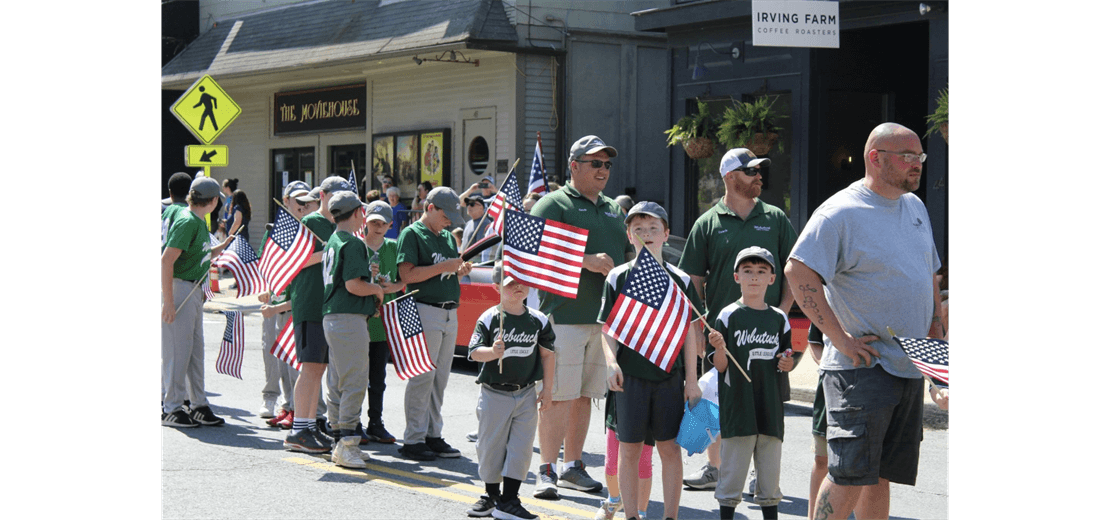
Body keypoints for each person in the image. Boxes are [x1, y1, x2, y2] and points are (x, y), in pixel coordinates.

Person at [784, 122, 943, 520]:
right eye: (907, 157)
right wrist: (840, 339)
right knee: (849, 474)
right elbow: (798, 272)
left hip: (906, 368)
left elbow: (929, 282)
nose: (917, 165)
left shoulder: (915, 207)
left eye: (920, 157)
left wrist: (938, 367)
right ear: (875, 158)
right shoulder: (840, 212)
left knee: (880, 476)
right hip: (861, 369)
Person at [679, 148, 797, 491]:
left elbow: (792, 270)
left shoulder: (775, 217)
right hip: (722, 336)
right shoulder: (707, 223)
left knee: (766, 402)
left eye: (761, 171)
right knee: (717, 400)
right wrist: (699, 328)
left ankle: (762, 472)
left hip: (768, 337)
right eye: (751, 172)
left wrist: (783, 316)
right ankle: (714, 467)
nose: (759, 176)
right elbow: (694, 281)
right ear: (729, 177)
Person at [530, 135, 632, 499]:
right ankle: (546, 470)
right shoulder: (551, 204)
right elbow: (533, 257)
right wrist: (584, 261)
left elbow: (626, 259)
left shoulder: (614, 210)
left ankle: (573, 466)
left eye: (607, 164)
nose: (603, 170)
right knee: (556, 396)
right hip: (564, 316)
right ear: (574, 166)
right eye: (595, 163)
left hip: (604, 321)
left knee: (585, 396)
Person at [598, 201, 702, 520]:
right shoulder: (618, 277)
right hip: (630, 377)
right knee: (629, 449)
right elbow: (607, 329)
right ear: (629, 235)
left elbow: (688, 333)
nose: (646, 235)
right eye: (638, 229)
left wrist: (692, 381)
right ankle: (631, 515)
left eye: (653, 228)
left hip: (669, 377)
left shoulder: (680, 280)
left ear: (666, 234)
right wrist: (611, 363)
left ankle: (671, 515)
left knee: (668, 448)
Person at [707, 247, 795, 520]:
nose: (754, 277)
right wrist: (719, 348)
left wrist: (786, 363)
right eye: (747, 271)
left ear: (772, 278)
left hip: (770, 407)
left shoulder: (779, 318)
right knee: (732, 475)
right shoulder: (728, 315)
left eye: (761, 271)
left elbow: (787, 357)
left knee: (769, 478)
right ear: (736, 277)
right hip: (739, 408)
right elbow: (720, 366)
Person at [465, 262, 555, 520]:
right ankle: (491, 494)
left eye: (522, 281)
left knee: (521, 447)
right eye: (510, 283)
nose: (518, 287)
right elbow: (474, 352)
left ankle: (510, 499)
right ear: (496, 287)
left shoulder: (537, 320)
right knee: (490, 446)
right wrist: (492, 352)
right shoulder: (490, 318)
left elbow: (548, 356)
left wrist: (547, 390)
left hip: (526, 392)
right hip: (495, 393)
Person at [396, 186, 472, 461]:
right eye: (446, 215)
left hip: (449, 310)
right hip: (424, 309)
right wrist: (445, 267)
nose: (450, 221)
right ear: (430, 208)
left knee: (439, 378)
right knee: (422, 376)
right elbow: (407, 275)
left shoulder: (448, 238)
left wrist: (459, 271)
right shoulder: (412, 234)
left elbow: (447, 272)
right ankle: (413, 438)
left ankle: (432, 433)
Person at [282, 176, 350, 453]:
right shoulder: (310, 222)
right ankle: (298, 429)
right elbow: (294, 259)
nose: (341, 201)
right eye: (337, 195)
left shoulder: (337, 227)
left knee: (318, 368)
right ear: (322, 196)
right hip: (310, 303)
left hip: (327, 305)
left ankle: (308, 425)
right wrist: (328, 253)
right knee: (310, 369)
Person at [161, 176, 233, 428]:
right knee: (177, 353)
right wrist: (168, 302)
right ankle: (171, 407)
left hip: (191, 290)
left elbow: (198, 252)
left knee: (193, 352)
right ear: (213, 201)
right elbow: (166, 260)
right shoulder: (188, 221)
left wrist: (221, 247)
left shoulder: (196, 220)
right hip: (180, 288)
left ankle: (198, 404)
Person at [321, 191, 386, 468]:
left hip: (332, 316)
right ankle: (347, 442)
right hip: (348, 317)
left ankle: (339, 440)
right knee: (355, 381)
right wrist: (376, 289)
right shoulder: (353, 242)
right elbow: (353, 285)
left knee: (337, 381)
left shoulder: (333, 240)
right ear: (359, 213)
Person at [256, 181, 312, 421]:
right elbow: (264, 263)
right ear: (285, 200)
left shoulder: (312, 228)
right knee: (272, 350)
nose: (302, 205)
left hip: (297, 301)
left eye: (306, 200)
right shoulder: (275, 228)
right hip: (276, 299)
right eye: (297, 200)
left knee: (294, 358)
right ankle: (272, 396)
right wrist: (263, 288)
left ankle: (293, 405)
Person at [361, 200, 405, 443]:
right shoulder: (357, 246)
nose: (377, 227)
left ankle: (375, 422)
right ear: (365, 222)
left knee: (378, 378)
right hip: (359, 321)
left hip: (382, 324)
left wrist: (392, 286)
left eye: (382, 223)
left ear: (390, 225)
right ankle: (351, 422)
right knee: (356, 376)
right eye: (373, 222)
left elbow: (403, 281)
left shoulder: (393, 247)